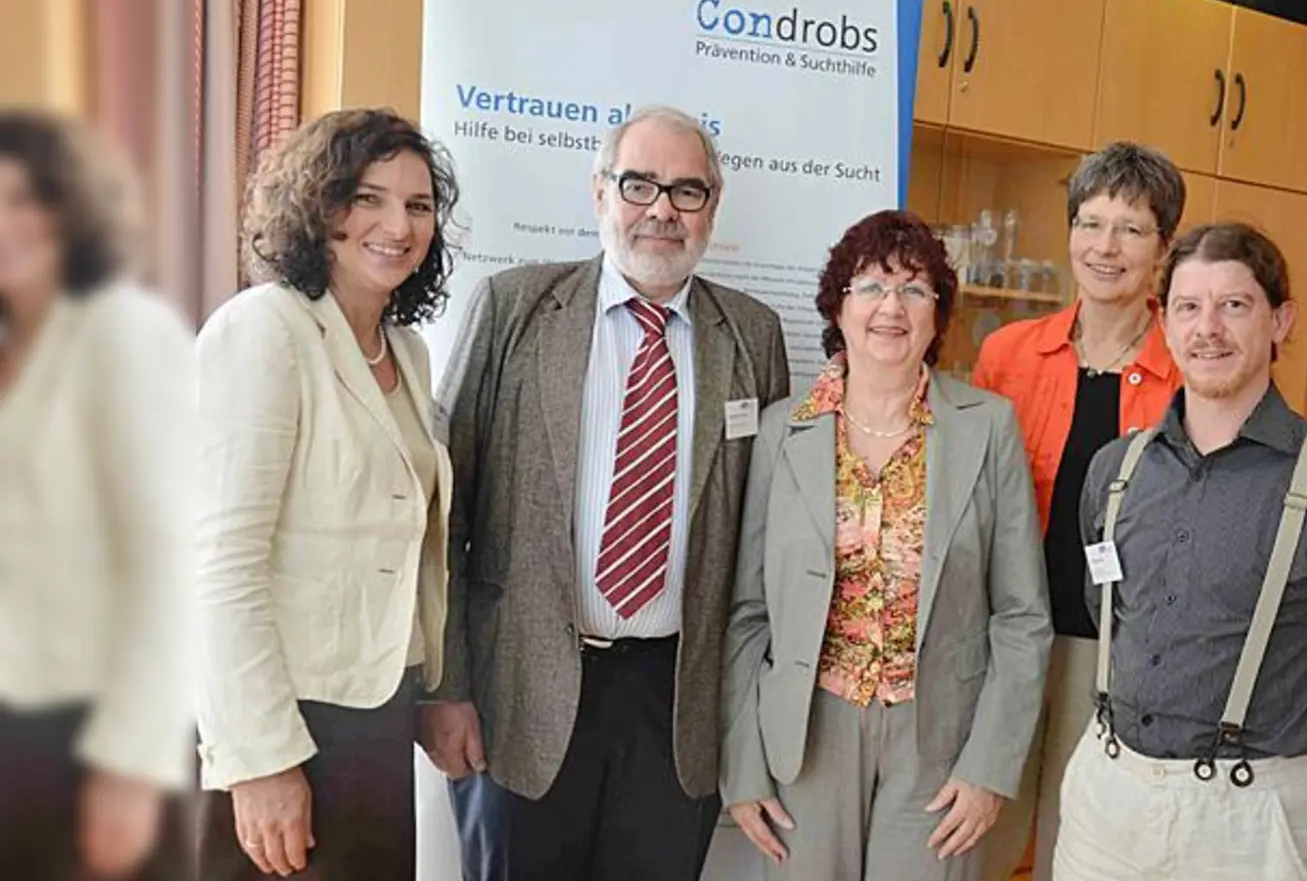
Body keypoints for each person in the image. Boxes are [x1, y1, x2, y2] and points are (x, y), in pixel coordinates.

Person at [421, 104, 791, 881]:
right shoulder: (515, 308)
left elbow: (762, 536)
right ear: (599, 192)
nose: (662, 209)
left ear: (711, 209)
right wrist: (445, 688)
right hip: (519, 693)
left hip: (675, 704)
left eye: (687, 191)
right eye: (639, 184)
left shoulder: (751, 336)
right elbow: (440, 516)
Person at [1053, 222, 1307, 880]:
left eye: (1234, 305)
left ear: (1280, 320)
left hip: (1251, 816)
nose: (1207, 328)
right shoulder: (1114, 470)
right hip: (1106, 792)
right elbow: (1109, 614)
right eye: (1188, 307)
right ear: (1165, 323)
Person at [721, 208, 1053, 881]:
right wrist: (742, 765)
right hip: (807, 736)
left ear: (938, 314)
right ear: (838, 308)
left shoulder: (986, 428)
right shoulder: (784, 430)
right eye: (870, 286)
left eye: (914, 289)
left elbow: (1022, 617)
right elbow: (748, 613)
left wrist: (990, 766)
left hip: (939, 742)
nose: (891, 307)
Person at [194, 108, 461, 879]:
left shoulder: (405, 351)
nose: (398, 225)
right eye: (368, 199)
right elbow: (222, 563)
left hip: (375, 712)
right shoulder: (264, 331)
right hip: (286, 719)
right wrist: (261, 761)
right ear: (318, 207)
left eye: (418, 206)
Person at [972, 141, 1186, 881]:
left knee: (1086, 842)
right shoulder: (1005, 353)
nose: (1105, 247)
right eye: (1090, 223)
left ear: (1162, 250)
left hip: (1119, 649)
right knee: (979, 832)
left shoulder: (1187, 372)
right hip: (1008, 635)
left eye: (1131, 229)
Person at [0, 110, 192, 881]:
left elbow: (165, 565)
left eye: (23, 200)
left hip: (93, 737)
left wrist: (132, 766)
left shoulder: (128, 337)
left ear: (71, 211)